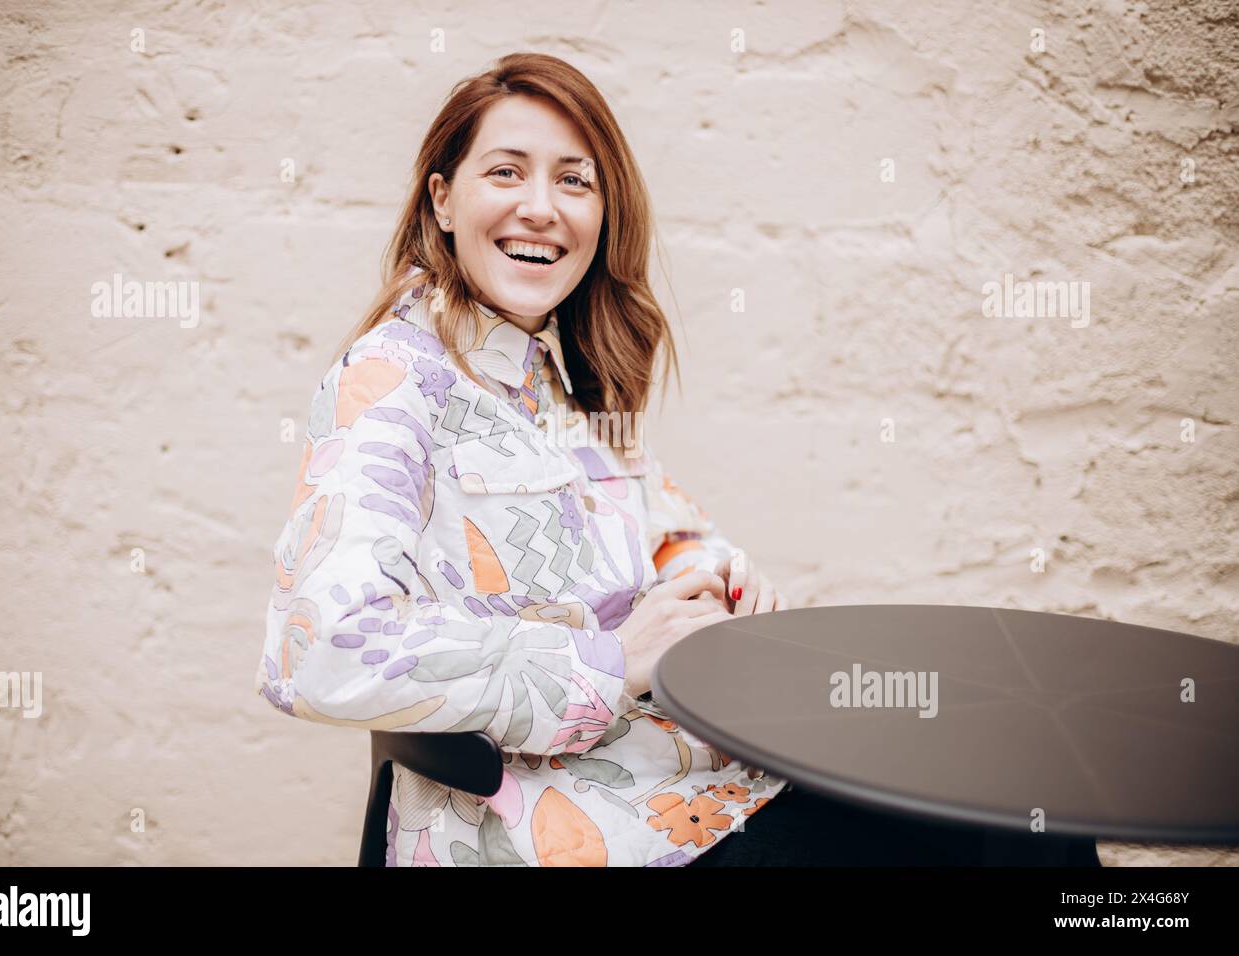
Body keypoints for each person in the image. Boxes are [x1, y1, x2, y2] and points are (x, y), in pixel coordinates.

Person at [255, 52, 946, 868]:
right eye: (506, 171)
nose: (540, 208)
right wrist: (609, 661)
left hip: (686, 786)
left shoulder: (567, 384)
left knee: (982, 800)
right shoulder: (394, 380)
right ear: (443, 199)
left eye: (574, 182)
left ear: (603, 213)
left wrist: (719, 579)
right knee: (975, 834)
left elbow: (669, 529)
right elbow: (323, 650)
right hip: (545, 829)